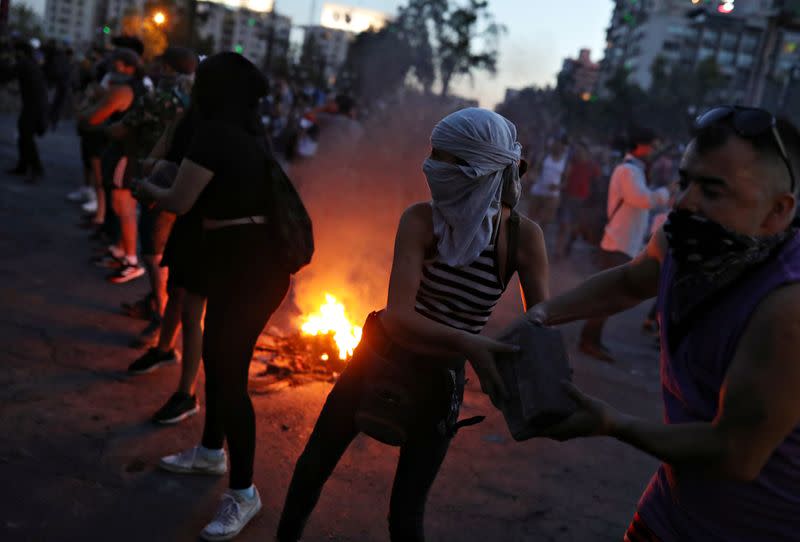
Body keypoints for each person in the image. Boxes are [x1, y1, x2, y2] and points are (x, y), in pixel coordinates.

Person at [526, 106, 800, 541]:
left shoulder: (788, 304)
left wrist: (610, 422)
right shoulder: (679, 238)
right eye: (685, 181)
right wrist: (540, 315)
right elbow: (629, 281)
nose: (685, 202)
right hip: (668, 509)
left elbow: (735, 453)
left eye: (712, 191)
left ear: (777, 212)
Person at [276, 108, 549, 542]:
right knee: (313, 467)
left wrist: (539, 386)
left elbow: (541, 324)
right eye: (432, 155)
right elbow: (400, 319)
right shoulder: (422, 219)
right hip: (379, 358)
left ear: (478, 169)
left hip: (439, 384)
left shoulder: (522, 237)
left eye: (445, 159)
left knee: (406, 512)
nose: (431, 168)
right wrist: (473, 346)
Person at [132, 52, 293, 541]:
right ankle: (208, 453)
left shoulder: (216, 136)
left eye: (201, 81)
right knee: (221, 370)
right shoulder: (244, 133)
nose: (193, 86)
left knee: (227, 379)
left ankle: (243, 493)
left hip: (251, 272)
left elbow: (179, 200)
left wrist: (142, 184)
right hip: (237, 265)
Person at [578, 127, 670, 363]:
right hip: (618, 241)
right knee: (607, 297)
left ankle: (592, 340)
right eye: (652, 145)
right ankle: (588, 341)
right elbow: (642, 199)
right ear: (640, 145)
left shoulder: (634, 169)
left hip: (624, 241)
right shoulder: (629, 171)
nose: (653, 151)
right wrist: (664, 192)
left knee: (609, 296)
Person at [0, 40, 48, 183]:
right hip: (34, 104)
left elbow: (6, 75)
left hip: (35, 106)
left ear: (20, 52)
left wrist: (3, 60)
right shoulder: (30, 62)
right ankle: (23, 166)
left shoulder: (24, 63)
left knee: (26, 137)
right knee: (23, 135)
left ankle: (36, 169)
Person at [556, 142, 601, 259]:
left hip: (582, 200)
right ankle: (558, 250)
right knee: (563, 224)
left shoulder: (592, 166)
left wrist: (592, 201)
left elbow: (597, 183)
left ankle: (568, 245)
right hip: (568, 196)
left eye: (580, 151)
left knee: (575, 227)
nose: (578, 153)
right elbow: (564, 177)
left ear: (586, 152)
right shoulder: (571, 163)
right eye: (576, 151)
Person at [527, 136, 569, 227]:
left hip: (552, 193)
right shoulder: (545, 156)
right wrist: (533, 177)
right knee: (531, 216)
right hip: (539, 188)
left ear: (563, 147)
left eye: (559, 145)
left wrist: (558, 186)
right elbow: (535, 170)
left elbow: (566, 181)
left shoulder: (565, 162)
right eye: (555, 144)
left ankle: (538, 237)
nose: (557, 147)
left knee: (546, 220)